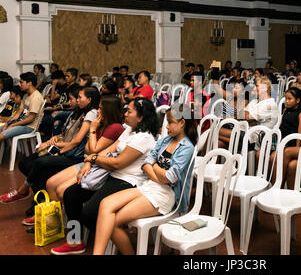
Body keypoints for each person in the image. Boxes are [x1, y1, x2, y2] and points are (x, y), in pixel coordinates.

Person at [51, 98, 158, 255]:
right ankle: (75, 241)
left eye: (129, 111)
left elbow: (118, 163)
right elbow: (109, 149)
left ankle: (115, 243)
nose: (125, 114)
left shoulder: (144, 138)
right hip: (111, 174)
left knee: (89, 213)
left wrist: (93, 158)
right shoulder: (129, 129)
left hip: (127, 181)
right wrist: (89, 163)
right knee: (70, 194)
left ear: (140, 117)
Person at [92, 107, 197, 255]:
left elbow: (169, 178)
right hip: (149, 186)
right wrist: (157, 173)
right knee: (105, 204)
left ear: (182, 123)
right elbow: (146, 163)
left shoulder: (187, 147)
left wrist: (154, 168)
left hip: (166, 195)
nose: (166, 126)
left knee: (113, 222)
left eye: (171, 122)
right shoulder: (166, 140)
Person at [0, 86, 99, 211]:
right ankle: (39, 198)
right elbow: (65, 133)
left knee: (40, 165)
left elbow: (76, 141)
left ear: (89, 99)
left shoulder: (91, 113)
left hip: (73, 155)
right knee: (25, 163)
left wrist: (52, 145)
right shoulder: (78, 112)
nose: (71, 102)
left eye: (78, 98)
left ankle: (29, 195)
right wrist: (53, 139)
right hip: (64, 148)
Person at [45, 96, 125, 203]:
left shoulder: (115, 127)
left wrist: (92, 129)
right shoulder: (101, 124)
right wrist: (94, 135)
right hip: (88, 162)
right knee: (50, 183)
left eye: (101, 108)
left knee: (61, 191)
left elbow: (93, 149)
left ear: (108, 110)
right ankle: (55, 216)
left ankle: (66, 217)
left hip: (98, 167)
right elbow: (88, 150)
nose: (98, 111)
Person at [0, 72, 44, 145]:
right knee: (2, 128)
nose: (19, 85)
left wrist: (13, 125)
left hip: (29, 127)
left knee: (1, 136)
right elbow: (18, 112)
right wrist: (8, 123)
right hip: (20, 123)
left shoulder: (36, 97)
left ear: (29, 83)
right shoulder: (26, 95)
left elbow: (30, 118)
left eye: (21, 82)